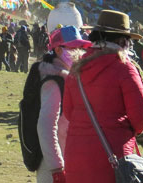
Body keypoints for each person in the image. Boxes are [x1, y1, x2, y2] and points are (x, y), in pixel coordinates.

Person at [62, 10, 143, 183]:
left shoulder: (76, 67)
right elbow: (141, 117)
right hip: (114, 156)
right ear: (121, 40)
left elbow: (68, 111)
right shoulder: (124, 67)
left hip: (76, 156)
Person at [35, 26, 91, 183]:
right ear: (58, 50)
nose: (79, 52)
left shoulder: (68, 76)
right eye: (73, 47)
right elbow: (45, 126)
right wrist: (57, 169)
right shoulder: (54, 80)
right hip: (54, 162)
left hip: (65, 155)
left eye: (81, 47)